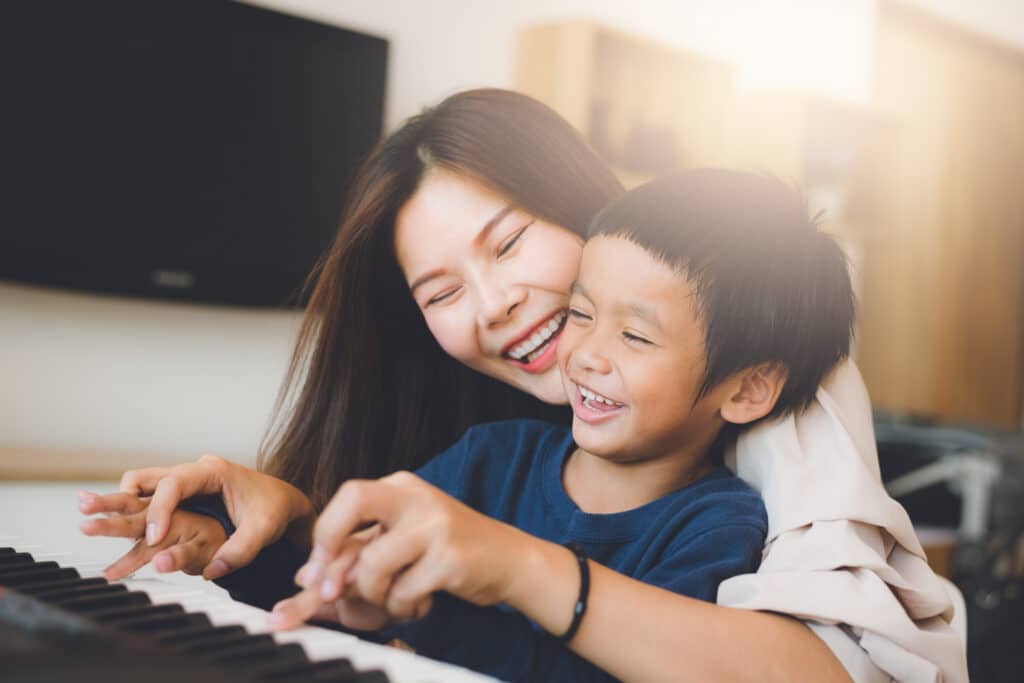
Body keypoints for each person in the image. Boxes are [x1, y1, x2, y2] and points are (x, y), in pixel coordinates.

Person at [79, 90, 965, 682]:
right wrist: (271, 526)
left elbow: (841, 666)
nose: (497, 306)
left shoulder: (755, 438)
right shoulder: (491, 451)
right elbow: (364, 587)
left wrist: (516, 569)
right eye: (442, 292)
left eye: (506, 244)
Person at [259, 169, 854, 682]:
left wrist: (438, 616)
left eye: (636, 335)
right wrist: (348, 579)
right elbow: (371, 560)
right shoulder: (491, 456)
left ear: (748, 388)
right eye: (580, 313)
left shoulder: (718, 526)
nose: (586, 354)